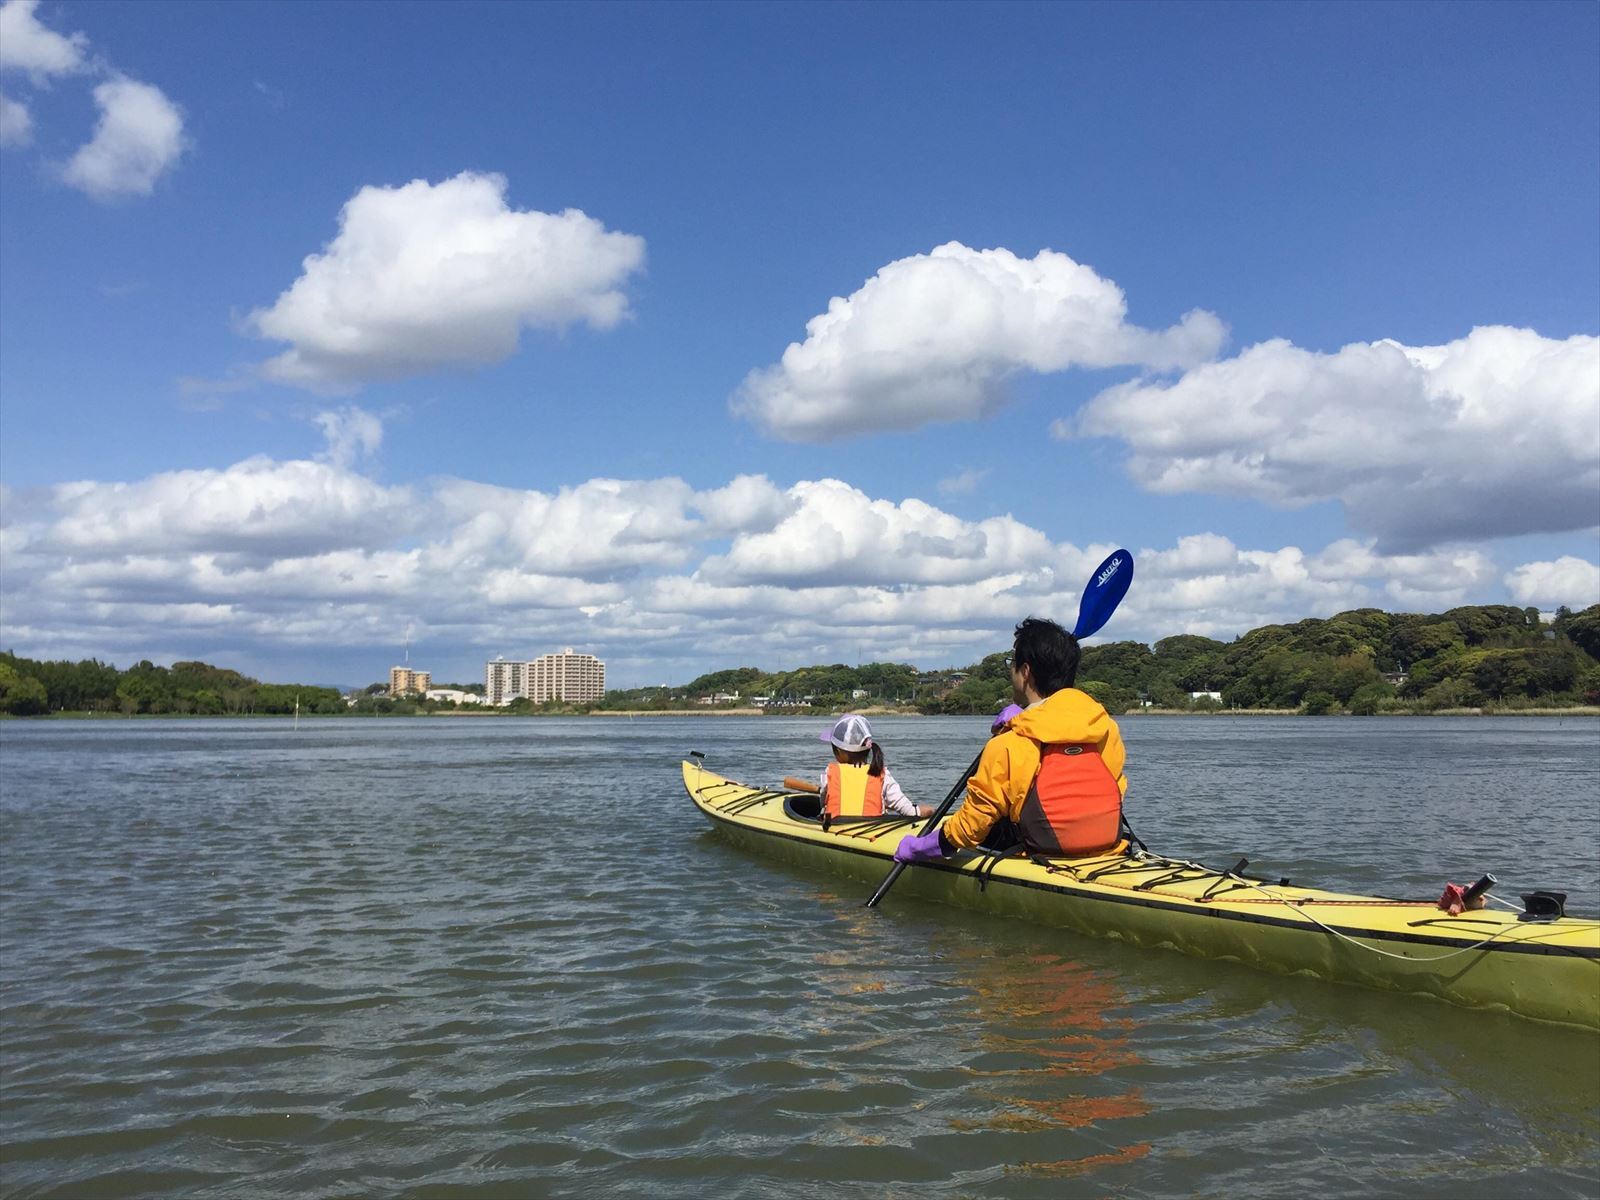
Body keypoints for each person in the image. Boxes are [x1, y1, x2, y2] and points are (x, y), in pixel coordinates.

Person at [895, 617, 1127, 862]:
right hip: (1107, 848)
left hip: (1039, 850)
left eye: (1012, 662)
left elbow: (971, 827)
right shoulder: (1105, 728)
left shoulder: (1009, 743)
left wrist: (920, 848)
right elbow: (1115, 790)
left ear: (1025, 672)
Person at [818, 714, 933, 819]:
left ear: (839, 751)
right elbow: (909, 811)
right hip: (872, 833)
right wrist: (926, 811)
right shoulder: (880, 773)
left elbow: (823, 802)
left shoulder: (829, 772)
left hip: (836, 828)